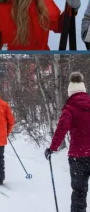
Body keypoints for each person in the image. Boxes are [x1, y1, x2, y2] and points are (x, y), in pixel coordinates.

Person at [45, 72, 90, 212]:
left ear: (70, 92)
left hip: (78, 157)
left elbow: (61, 129)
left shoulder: (69, 108)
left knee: (79, 192)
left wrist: (52, 148)